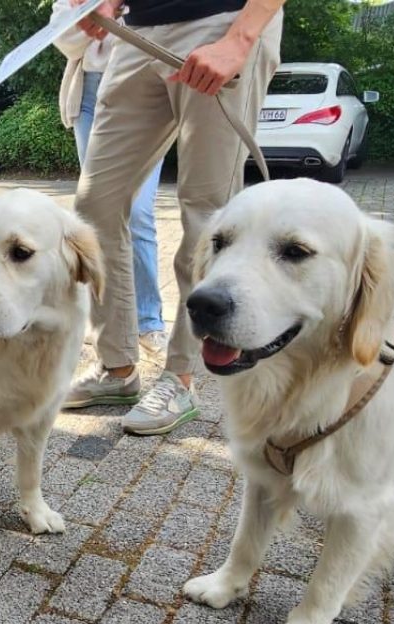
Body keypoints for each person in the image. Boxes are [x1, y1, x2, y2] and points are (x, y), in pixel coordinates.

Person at [63, 0, 283, 435]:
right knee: (94, 208)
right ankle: (117, 368)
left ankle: (180, 378)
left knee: (208, 213)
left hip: (223, 20)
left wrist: (239, 38)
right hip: (138, 32)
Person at [52, 4, 167, 356]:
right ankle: (107, 323)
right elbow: (67, 41)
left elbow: (156, 32)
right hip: (90, 92)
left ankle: (148, 323)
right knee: (96, 212)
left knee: (138, 212)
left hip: (143, 89)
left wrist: (106, 16)